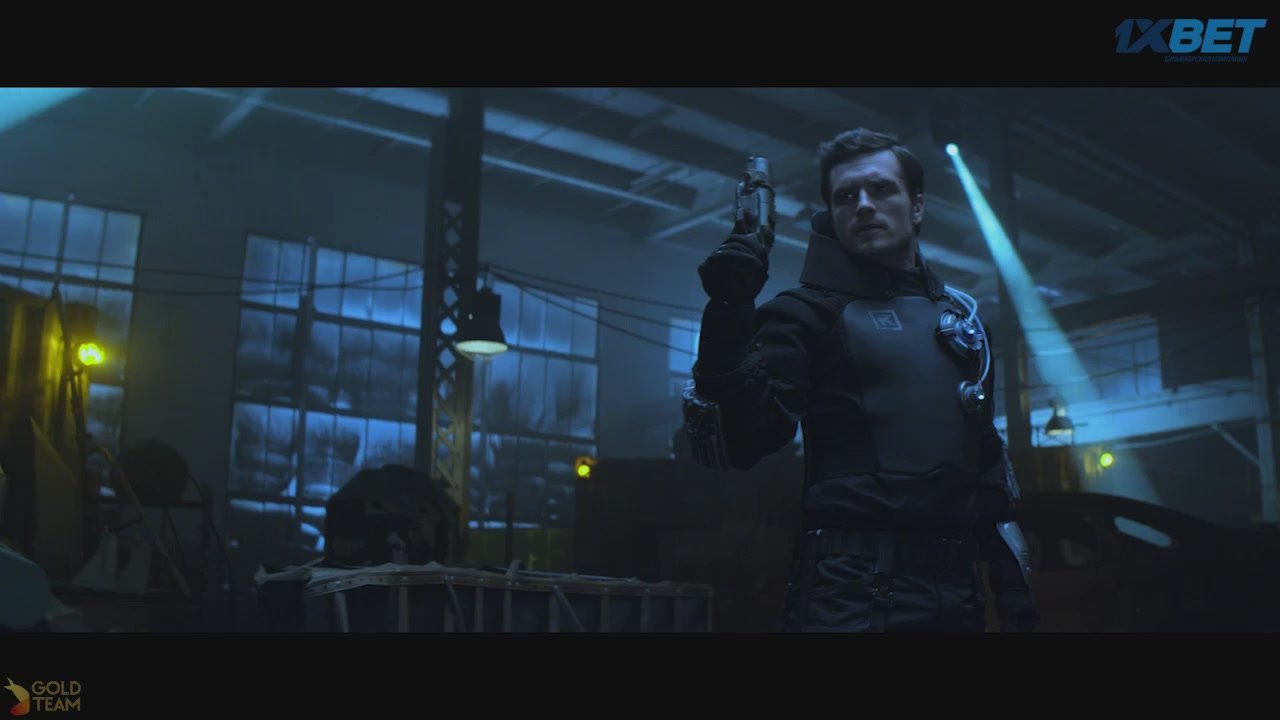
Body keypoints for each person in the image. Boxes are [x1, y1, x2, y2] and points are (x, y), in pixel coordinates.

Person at [683, 128, 1038, 632]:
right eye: (846, 196)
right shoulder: (804, 315)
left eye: (881, 189)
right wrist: (728, 311)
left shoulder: (959, 323)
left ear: (917, 206)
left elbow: (985, 466)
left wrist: (1015, 596)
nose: (864, 205)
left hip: (958, 596)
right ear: (832, 213)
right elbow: (743, 440)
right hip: (850, 594)